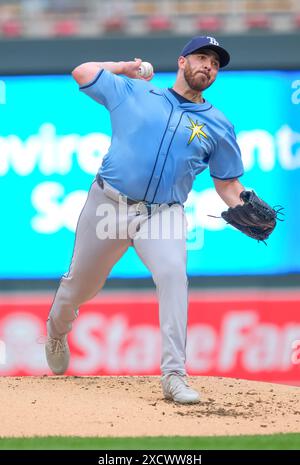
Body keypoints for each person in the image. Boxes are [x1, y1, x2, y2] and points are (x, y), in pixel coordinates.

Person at [45, 36, 245, 404]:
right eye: (202, 58)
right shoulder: (135, 91)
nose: (209, 67)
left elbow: (228, 184)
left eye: (215, 64)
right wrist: (123, 67)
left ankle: (174, 375)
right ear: (182, 61)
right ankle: (56, 331)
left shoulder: (218, 124)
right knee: (80, 286)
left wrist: (245, 200)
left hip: (163, 214)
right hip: (109, 203)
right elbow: (82, 72)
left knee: (173, 276)